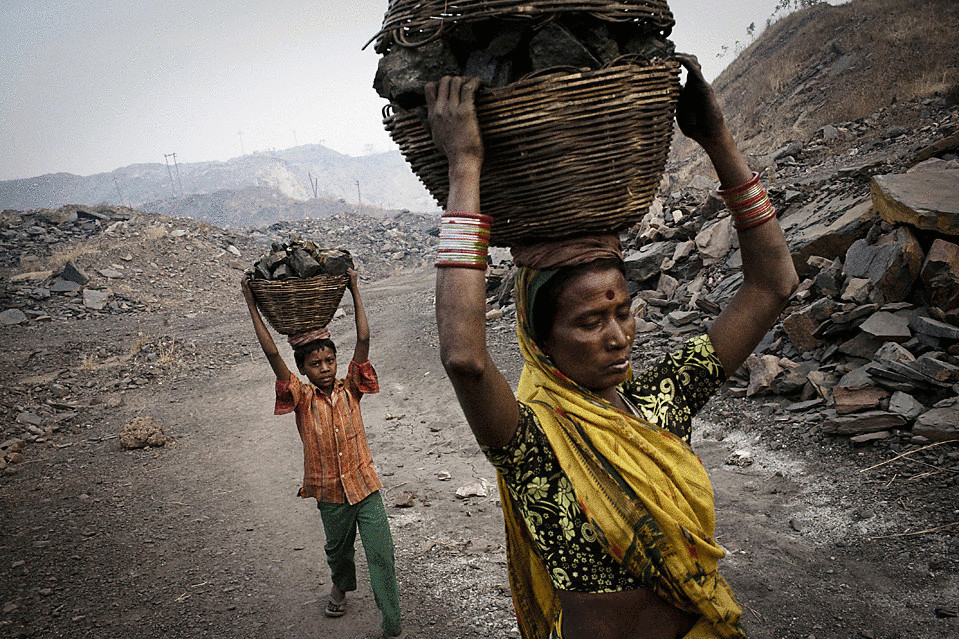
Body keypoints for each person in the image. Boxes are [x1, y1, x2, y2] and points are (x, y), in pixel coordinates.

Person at [427, 54, 799, 639]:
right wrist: (466, 167)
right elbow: (464, 358)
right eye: (590, 321)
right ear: (539, 339)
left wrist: (718, 141)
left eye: (623, 312)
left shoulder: (660, 403)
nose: (618, 335)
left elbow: (773, 286)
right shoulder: (532, 441)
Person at [241, 269, 403, 639]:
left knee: (382, 554)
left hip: (365, 487)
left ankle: (392, 626)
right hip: (330, 492)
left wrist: (355, 288)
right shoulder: (300, 398)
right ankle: (340, 587)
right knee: (338, 551)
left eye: (330, 361)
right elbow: (270, 351)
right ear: (302, 369)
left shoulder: (352, 391)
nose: (326, 369)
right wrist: (251, 303)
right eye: (316, 364)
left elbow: (363, 336)